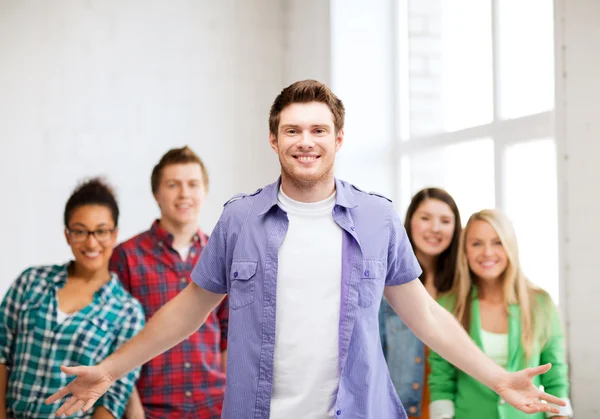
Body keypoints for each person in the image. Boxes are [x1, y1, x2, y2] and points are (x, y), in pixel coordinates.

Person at [46, 80, 566, 419]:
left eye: (319, 129)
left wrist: (498, 378)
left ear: (339, 139)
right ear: (273, 139)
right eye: (292, 130)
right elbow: (187, 310)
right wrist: (111, 368)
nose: (305, 141)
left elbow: (425, 316)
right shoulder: (240, 219)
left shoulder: (378, 218)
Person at [0, 178, 145, 418]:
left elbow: (113, 398)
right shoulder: (31, 281)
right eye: (79, 231)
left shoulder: (127, 312)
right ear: (67, 235)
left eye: (101, 231)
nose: (91, 242)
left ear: (115, 234)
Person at [109, 146, 228, 419]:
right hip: (152, 410)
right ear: (156, 194)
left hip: (213, 408)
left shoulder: (220, 254)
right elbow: (117, 341)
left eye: (192, 184)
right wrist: (135, 413)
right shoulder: (126, 256)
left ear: (204, 192)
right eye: (173, 185)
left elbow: (228, 336)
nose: (184, 193)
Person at [428, 209, 573, 419]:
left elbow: (556, 379)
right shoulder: (448, 305)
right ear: (465, 250)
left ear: (510, 247)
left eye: (497, 242)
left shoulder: (541, 303)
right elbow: (441, 381)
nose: (487, 252)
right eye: (476, 243)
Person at [379, 188, 461, 418]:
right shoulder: (387, 286)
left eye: (445, 220)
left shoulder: (462, 287)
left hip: (451, 409)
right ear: (410, 222)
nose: (435, 228)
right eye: (425, 218)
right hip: (401, 409)